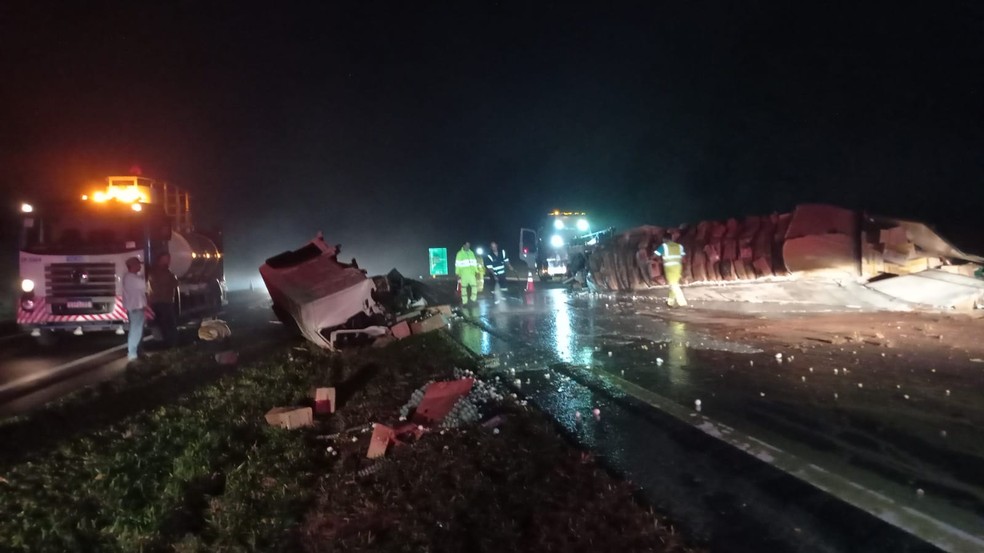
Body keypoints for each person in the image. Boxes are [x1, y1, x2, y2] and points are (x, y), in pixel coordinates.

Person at [148, 252, 179, 348]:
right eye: (167, 259)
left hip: (155, 301)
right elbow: (175, 283)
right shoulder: (165, 272)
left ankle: (161, 342)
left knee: (158, 323)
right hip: (165, 301)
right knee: (168, 324)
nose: (169, 261)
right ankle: (169, 344)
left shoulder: (152, 271)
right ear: (161, 260)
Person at [122, 256, 148, 361]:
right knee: (135, 331)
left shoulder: (131, 277)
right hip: (135, 308)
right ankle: (132, 353)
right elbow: (146, 285)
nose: (140, 266)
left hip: (136, 307)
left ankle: (135, 351)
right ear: (132, 266)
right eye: (138, 264)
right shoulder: (130, 278)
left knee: (137, 330)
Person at [655, 234, 688, 307]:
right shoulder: (679, 246)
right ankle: (670, 302)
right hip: (678, 267)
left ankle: (682, 303)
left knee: (673, 285)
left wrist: (658, 260)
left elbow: (655, 255)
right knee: (673, 284)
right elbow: (684, 258)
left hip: (669, 268)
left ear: (664, 240)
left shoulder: (664, 246)